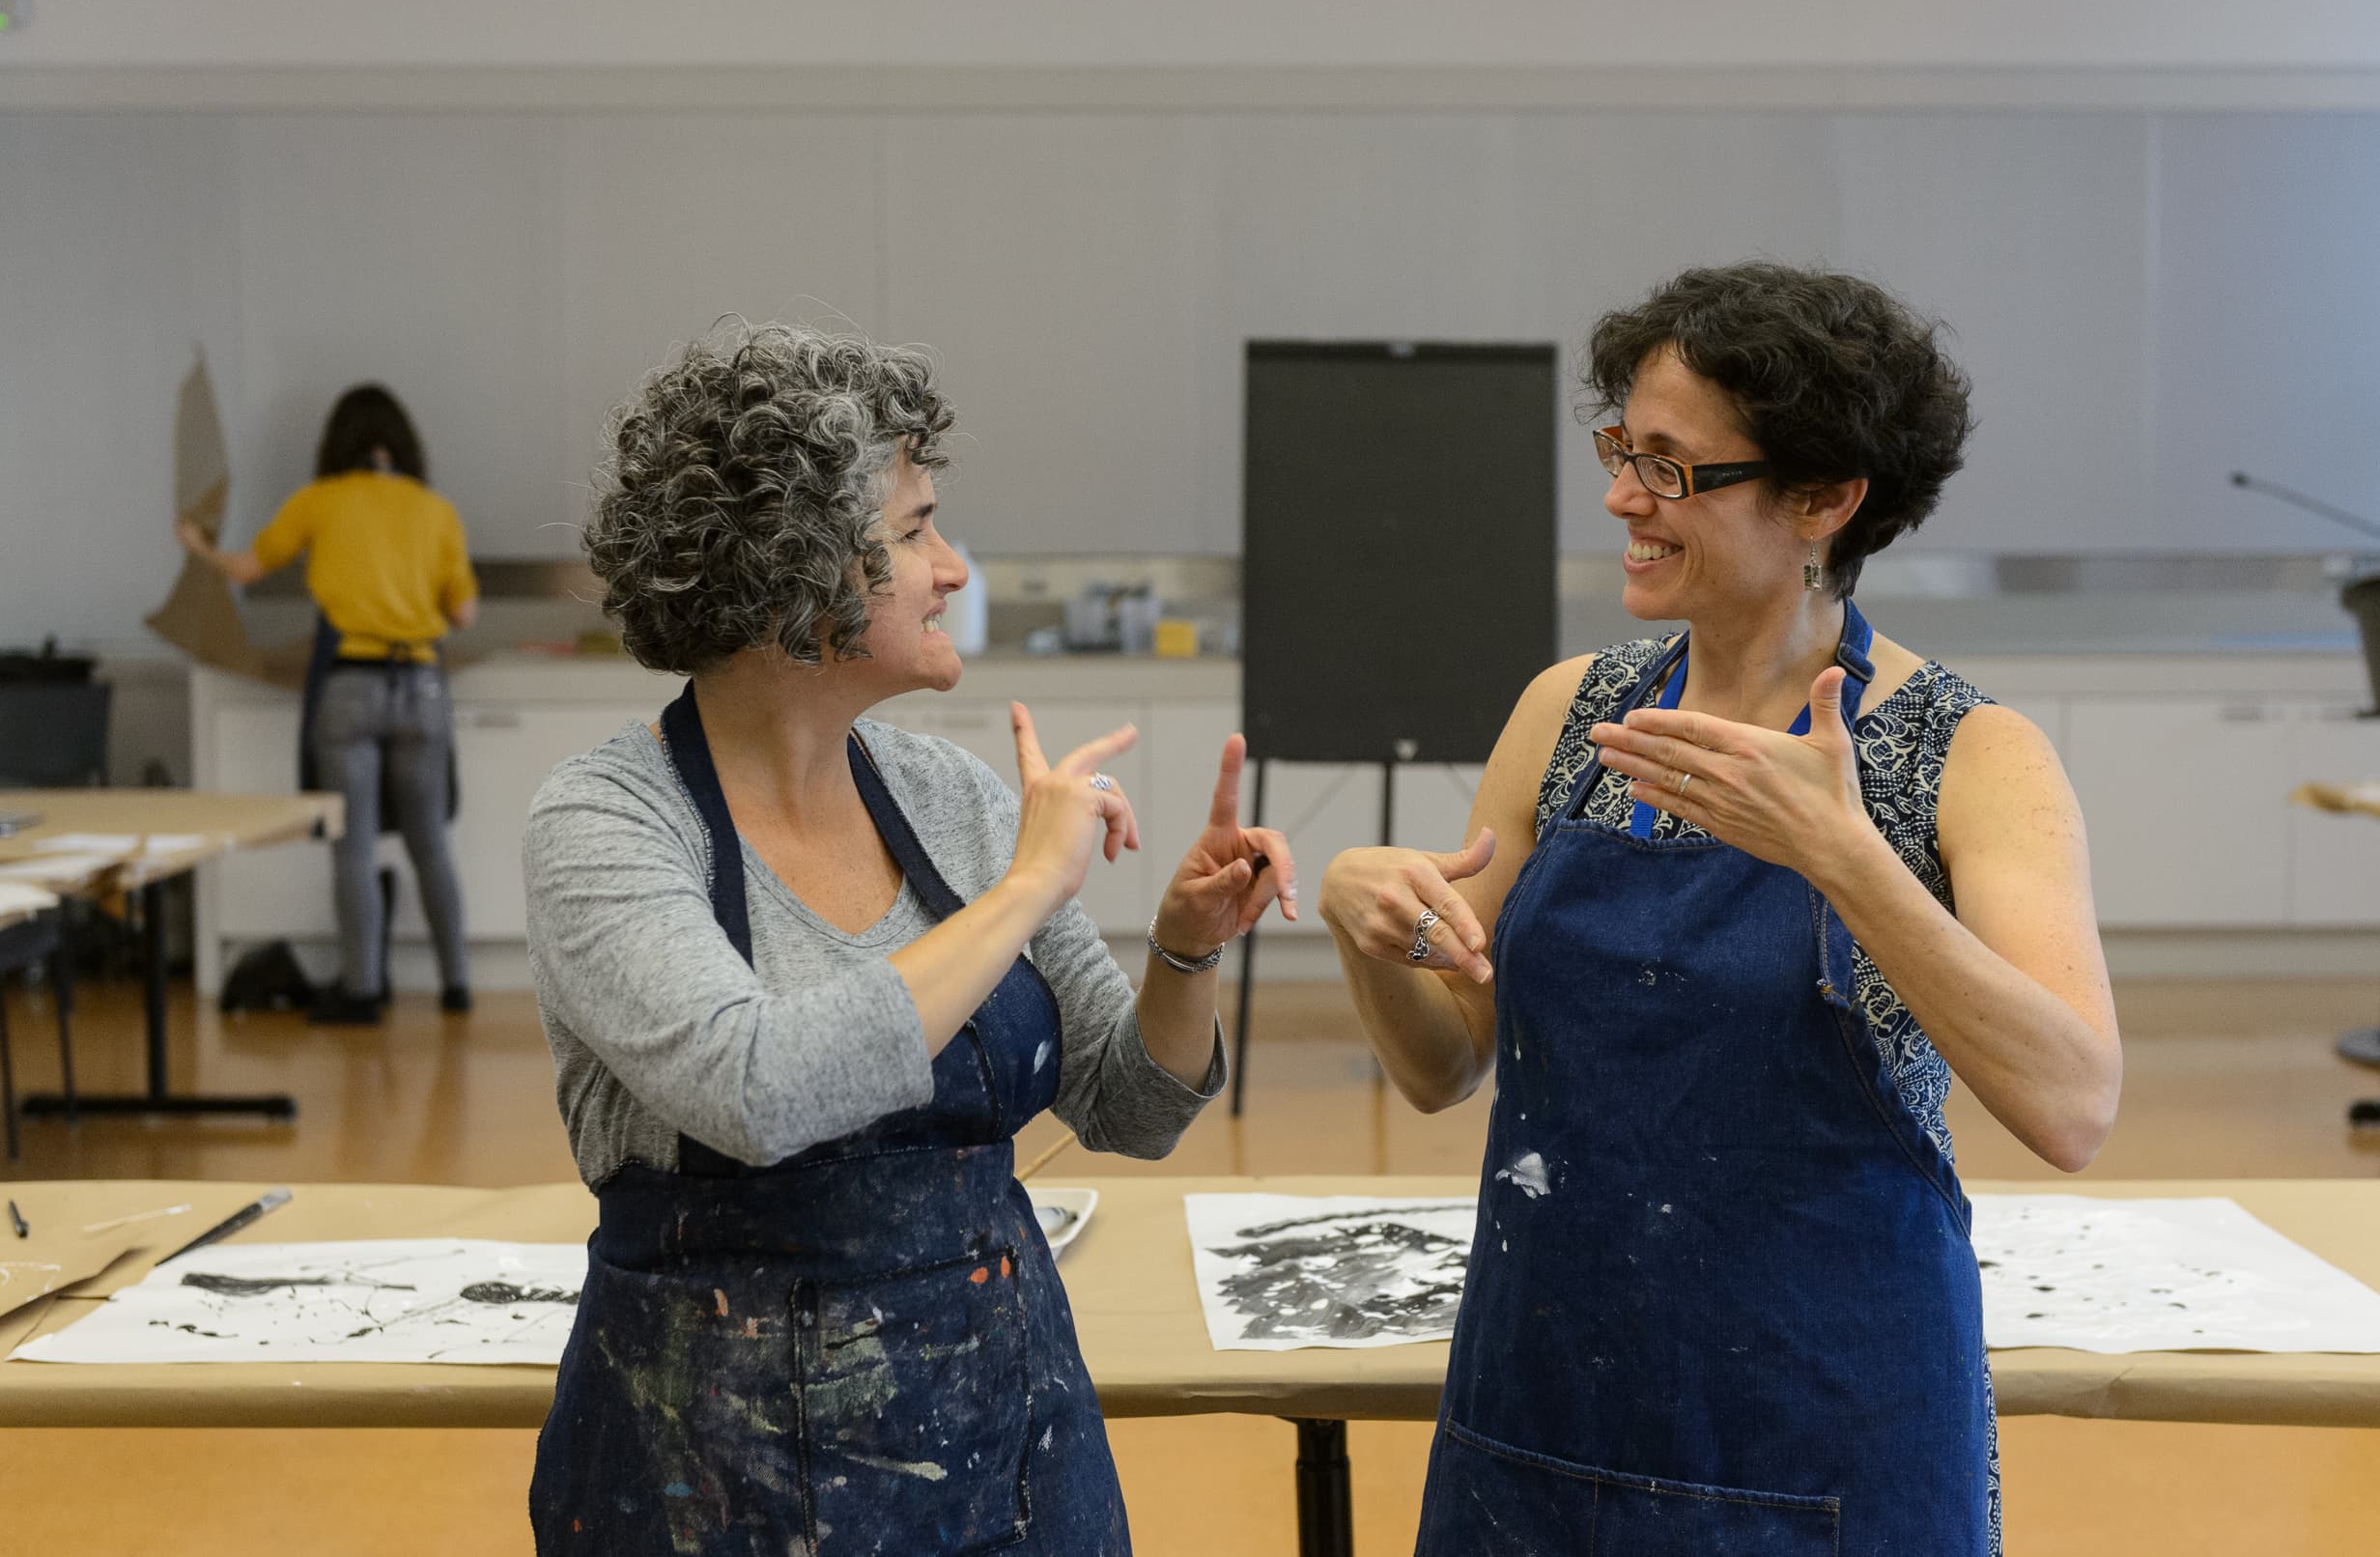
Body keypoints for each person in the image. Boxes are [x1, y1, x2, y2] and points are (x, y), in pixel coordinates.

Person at [1318, 262, 2122, 1556]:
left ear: (1824, 498)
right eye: (1623, 451)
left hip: (1826, 1422)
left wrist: (1847, 860)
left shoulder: (1970, 756)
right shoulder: (1572, 714)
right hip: (1542, 1402)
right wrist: (1369, 933)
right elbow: (1446, 1065)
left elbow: (2073, 1101)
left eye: (1675, 469)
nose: (1624, 498)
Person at [523, 323, 1292, 1555]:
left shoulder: (954, 800)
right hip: (708, 1487)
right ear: (795, 577)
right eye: (915, 530)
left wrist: (1185, 948)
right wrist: (1024, 891)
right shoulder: (605, 821)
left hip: (1012, 1460)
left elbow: (1130, 1104)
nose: (952, 567)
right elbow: (758, 1088)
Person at [178, 384, 478, 1025]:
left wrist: (195, 543)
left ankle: (363, 990)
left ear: (336, 443)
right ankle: (456, 986)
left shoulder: (319, 501)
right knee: (431, 843)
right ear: (402, 444)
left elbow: (247, 569)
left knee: (356, 848)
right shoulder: (435, 511)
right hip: (421, 686)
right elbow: (464, 611)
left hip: (350, 685)